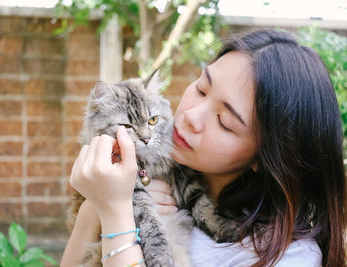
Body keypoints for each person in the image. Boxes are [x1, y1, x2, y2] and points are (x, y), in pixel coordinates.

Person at [61, 29, 346, 267]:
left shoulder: (288, 257)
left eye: (224, 121)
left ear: (267, 156)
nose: (190, 117)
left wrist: (114, 213)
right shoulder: (154, 170)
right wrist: (92, 209)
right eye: (200, 88)